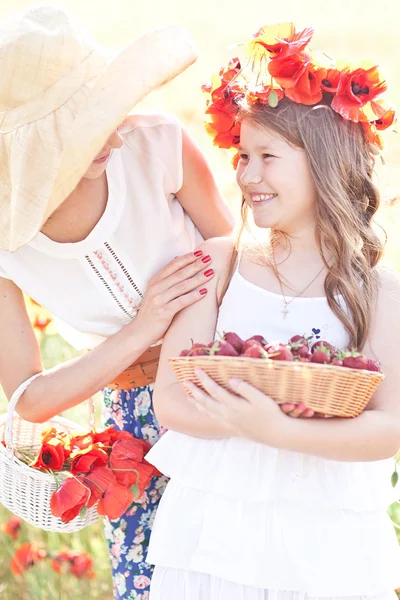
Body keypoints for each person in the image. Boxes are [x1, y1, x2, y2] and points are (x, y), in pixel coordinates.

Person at [145, 23, 400, 599]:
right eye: (242, 156)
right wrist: (251, 425)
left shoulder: (378, 291)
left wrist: (276, 430)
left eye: (268, 157)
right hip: (215, 530)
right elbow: (172, 400)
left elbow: (388, 428)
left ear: (326, 165)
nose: (246, 175)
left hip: (325, 537)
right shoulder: (219, 265)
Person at [0, 5, 234, 599]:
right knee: (152, 585)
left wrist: (183, 330)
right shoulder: (6, 244)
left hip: (226, 384)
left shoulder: (158, 145)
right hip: (133, 432)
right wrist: (141, 327)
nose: (113, 129)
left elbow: (236, 253)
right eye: (81, 125)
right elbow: (29, 400)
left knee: (243, 569)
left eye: (104, 106)